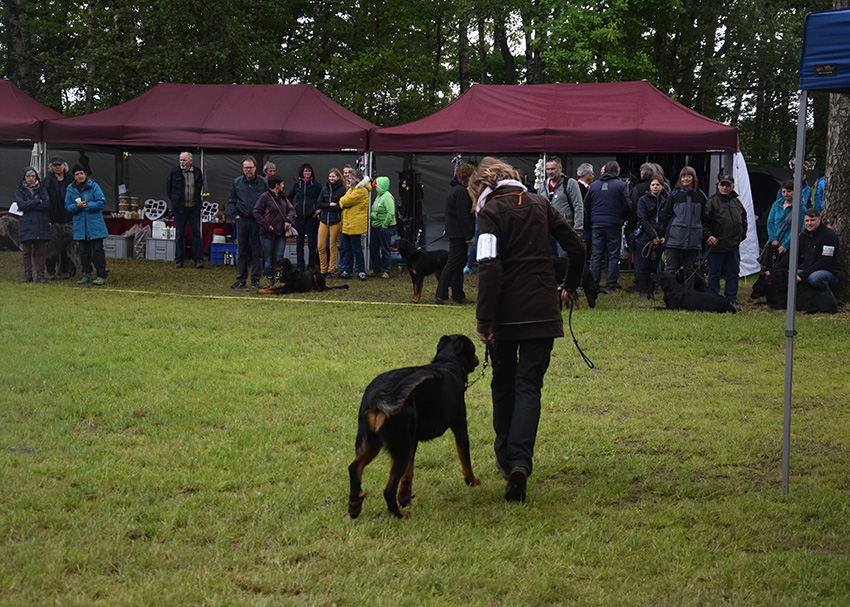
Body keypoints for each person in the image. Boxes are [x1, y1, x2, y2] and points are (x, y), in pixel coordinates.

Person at [470, 157, 586, 503]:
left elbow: (488, 268)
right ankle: (520, 461)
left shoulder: (489, 213)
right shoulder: (541, 203)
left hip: (505, 313)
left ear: (482, 186)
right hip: (541, 311)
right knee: (529, 385)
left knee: (503, 383)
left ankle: (507, 458)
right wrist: (569, 284)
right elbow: (577, 246)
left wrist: (483, 319)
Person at [658, 166, 708, 290]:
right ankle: (669, 292)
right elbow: (664, 216)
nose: (685, 179)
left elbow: (705, 217)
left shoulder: (700, 196)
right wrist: (664, 235)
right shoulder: (674, 195)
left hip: (693, 239)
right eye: (683, 176)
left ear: (693, 178)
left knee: (690, 270)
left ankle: (689, 294)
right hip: (674, 238)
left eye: (688, 176)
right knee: (671, 268)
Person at [585, 160, 630, 292]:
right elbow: (627, 206)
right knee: (613, 255)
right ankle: (610, 285)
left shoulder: (593, 186)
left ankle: (594, 284)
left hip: (597, 224)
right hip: (613, 224)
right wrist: (623, 218)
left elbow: (586, 204)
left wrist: (592, 219)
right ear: (617, 171)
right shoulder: (621, 186)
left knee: (596, 256)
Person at [774, 208, 841, 295]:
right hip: (807, 270)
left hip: (828, 272)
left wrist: (802, 276)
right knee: (785, 275)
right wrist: (773, 270)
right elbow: (792, 256)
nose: (809, 223)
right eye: (807, 221)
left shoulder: (829, 236)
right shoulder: (803, 236)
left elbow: (824, 262)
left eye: (812, 220)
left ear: (819, 219)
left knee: (815, 278)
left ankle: (828, 299)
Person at [704, 173, 748, 304]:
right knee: (714, 273)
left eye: (727, 185)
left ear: (732, 187)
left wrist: (741, 236)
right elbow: (704, 222)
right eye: (722, 185)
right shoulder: (711, 202)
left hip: (734, 245)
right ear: (718, 186)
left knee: (733, 272)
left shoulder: (737, 202)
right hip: (717, 245)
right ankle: (712, 298)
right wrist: (709, 236)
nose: (724, 187)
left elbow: (744, 220)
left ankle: (731, 297)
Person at [435, 164, 475, 303]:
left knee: (458, 264)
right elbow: (462, 216)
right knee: (453, 264)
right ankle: (441, 294)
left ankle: (458, 294)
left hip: (455, 232)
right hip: (459, 234)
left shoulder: (454, 190)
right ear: (468, 177)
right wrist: (469, 236)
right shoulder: (461, 192)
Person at [228, 155, 268, 289]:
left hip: (258, 221)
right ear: (243, 168)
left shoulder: (263, 182)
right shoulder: (237, 182)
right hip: (242, 220)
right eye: (246, 168)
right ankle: (241, 279)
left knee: (258, 251)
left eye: (250, 167)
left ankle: (255, 280)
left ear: (255, 168)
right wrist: (236, 215)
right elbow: (232, 200)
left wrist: (265, 217)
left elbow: (269, 200)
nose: (248, 170)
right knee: (241, 251)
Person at [65, 164, 108, 285]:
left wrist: (87, 206)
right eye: (77, 174)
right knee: (84, 252)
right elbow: (67, 207)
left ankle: (101, 275)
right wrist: (76, 207)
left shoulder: (93, 186)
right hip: (80, 226)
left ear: (85, 174)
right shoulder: (70, 189)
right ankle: (86, 274)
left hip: (95, 225)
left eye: (81, 173)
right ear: (74, 176)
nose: (80, 176)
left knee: (97, 250)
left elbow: (101, 202)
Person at [537, 156, 584, 258]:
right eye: (548, 169)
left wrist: (578, 229)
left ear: (560, 168)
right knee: (549, 260)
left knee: (563, 259)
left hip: (565, 229)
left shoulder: (570, 184)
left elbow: (578, 206)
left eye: (553, 169)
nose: (550, 172)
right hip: (547, 230)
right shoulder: (542, 186)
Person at [253, 174, 295, 285]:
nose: (283, 185)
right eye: (282, 184)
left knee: (279, 257)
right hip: (267, 233)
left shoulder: (283, 197)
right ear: (276, 185)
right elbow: (256, 212)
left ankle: (279, 280)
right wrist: (265, 225)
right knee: (268, 258)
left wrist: (288, 220)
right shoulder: (264, 197)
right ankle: (270, 279)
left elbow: (291, 209)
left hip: (280, 232)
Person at [166, 151, 205, 269]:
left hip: (194, 208)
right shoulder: (174, 172)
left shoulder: (197, 172)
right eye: (181, 160)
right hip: (180, 209)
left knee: (196, 233)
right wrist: (175, 202)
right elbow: (169, 189)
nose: (182, 162)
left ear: (190, 161)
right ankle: (179, 259)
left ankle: (198, 260)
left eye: (184, 160)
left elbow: (199, 188)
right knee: (179, 234)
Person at [15, 167, 52, 283]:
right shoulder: (19, 191)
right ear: (24, 177)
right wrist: (36, 202)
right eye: (28, 176)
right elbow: (21, 205)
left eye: (33, 176)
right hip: (26, 224)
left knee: (40, 251)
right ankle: (28, 274)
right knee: (26, 251)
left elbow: (46, 204)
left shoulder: (42, 190)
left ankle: (41, 274)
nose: (31, 179)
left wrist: (29, 205)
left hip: (40, 223)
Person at [634, 173, 667, 299]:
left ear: (662, 186)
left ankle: (652, 292)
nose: (655, 187)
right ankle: (643, 292)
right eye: (653, 185)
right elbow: (642, 218)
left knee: (655, 266)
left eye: (657, 185)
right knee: (643, 266)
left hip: (660, 240)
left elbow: (668, 219)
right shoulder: (643, 200)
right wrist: (653, 235)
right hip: (644, 239)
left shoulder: (666, 201)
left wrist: (665, 236)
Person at [43, 156, 73, 279]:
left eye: (59, 165)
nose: (57, 167)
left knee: (67, 245)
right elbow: (44, 202)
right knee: (52, 246)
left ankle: (65, 270)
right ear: (51, 168)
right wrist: (47, 219)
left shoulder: (71, 179)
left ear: (64, 166)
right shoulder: (47, 181)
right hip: (53, 219)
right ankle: (50, 271)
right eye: (55, 165)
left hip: (68, 218)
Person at [288, 163, 322, 272]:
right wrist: (293, 211)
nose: (307, 173)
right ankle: (300, 266)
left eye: (309, 171)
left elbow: (322, 198)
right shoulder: (297, 185)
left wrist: (317, 211)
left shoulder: (316, 185)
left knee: (312, 243)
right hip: (299, 218)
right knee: (300, 243)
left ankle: (311, 266)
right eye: (305, 171)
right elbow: (288, 198)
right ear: (302, 172)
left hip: (311, 217)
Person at [338, 169, 371, 280]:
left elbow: (345, 201)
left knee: (356, 248)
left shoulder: (361, 191)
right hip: (348, 223)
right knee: (348, 248)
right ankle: (348, 270)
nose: (348, 179)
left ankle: (361, 270)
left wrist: (342, 201)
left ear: (356, 180)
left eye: (351, 178)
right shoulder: (352, 189)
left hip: (355, 224)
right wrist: (343, 201)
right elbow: (344, 200)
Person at [765, 179, 806, 267]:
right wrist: (773, 239)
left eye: (789, 191)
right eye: (783, 192)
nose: (786, 194)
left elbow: (798, 229)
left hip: (788, 244)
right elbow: (770, 222)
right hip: (774, 242)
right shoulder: (776, 205)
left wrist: (785, 245)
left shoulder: (801, 208)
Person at [317, 168, 345, 277]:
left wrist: (329, 206)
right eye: (330, 176)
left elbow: (339, 206)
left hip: (335, 221)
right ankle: (323, 269)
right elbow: (318, 204)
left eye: (333, 176)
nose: (331, 178)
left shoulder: (342, 190)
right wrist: (328, 205)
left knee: (333, 246)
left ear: (338, 177)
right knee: (321, 246)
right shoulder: (324, 189)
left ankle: (331, 270)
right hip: (324, 220)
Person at [368, 176, 396, 278]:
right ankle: (376, 269)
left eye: (376, 185)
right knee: (373, 248)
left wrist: (384, 225)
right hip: (376, 225)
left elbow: (390, 213)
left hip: (384, 227)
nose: (375, 187)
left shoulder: (387, 197)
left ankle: (386, 270)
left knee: (385, 248)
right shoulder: (379, 196)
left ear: (382, 186)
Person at [576, 162, 594, 259]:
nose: (593, 176)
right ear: (587, 174)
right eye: (592, 173)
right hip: (583, 224)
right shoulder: (578, 188)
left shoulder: (587, 188)